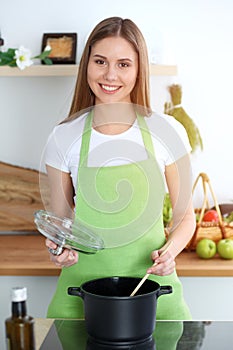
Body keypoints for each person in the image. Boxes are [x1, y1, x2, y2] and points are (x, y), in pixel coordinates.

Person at [43, 16, 196, 320]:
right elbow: (61, 221)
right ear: (87, 64)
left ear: (139, 70)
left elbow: (185, 218)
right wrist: (57, 249)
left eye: (124, 64)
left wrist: (170, 253)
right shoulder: (64, 136)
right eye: (100, 61)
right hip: (80, 296)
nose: (110, 74)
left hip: (153, 292)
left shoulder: (167, 131)